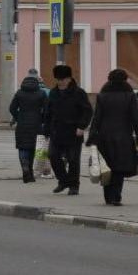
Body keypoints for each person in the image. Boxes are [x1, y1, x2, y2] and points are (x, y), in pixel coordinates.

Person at [87, 69, 138, 206]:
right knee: (119, 168)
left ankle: (107, 196)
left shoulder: (102, 96)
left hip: (104, 136)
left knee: (107, 168)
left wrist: (92, 136)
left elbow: (97, 118)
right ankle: (116, 197)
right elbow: (135, 117)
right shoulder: (129, 96)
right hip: (124, 136)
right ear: (124, 79)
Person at [44, 64, 92, 195]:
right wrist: (46, 129)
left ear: (69, 78)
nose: (60, 82)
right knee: (53, 156)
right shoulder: (53, 93)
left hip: (73, 131)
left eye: (63, 79)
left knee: (73, 160)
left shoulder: (79, 93)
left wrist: (82, 126)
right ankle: (63, 180)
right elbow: (48, 112)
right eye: (58, 79)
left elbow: (87, 111)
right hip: (56, 131)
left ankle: (74, 185)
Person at [9, 68, 48, 183]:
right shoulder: (41, 93)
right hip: (36, 125)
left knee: (22, 147)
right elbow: (47, 110)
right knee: (32, 148)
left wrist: (18, 117)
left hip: (22, 124)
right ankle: (30, 174)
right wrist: (42, 119)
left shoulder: (19, 93)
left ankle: (25, 169)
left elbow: (11, 108)